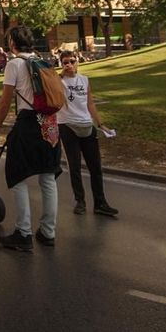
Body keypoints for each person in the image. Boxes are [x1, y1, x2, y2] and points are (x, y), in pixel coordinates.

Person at [0, 25, 61, 251]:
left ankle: (23, 232)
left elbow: (5, 100)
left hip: (28, 123)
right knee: (47, 177)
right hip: (49, 123)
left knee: (17, 175)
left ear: (12, 43)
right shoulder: (43, 62)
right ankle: (48, 232)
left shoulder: (15, 64)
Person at [56, 50, 118, 217]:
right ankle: (80, 201)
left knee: (95, 166)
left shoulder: (84, 80)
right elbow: (49, 82)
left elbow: (90, 104)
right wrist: (62, 73)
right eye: (65, 62)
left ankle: (100, 202)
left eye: (72, 61)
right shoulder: (59, 80)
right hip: (67, 125)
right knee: (75, 166)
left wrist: (101, 125)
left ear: (78, 62)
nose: (69, 64)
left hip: (86, 125)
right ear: (61, 64)